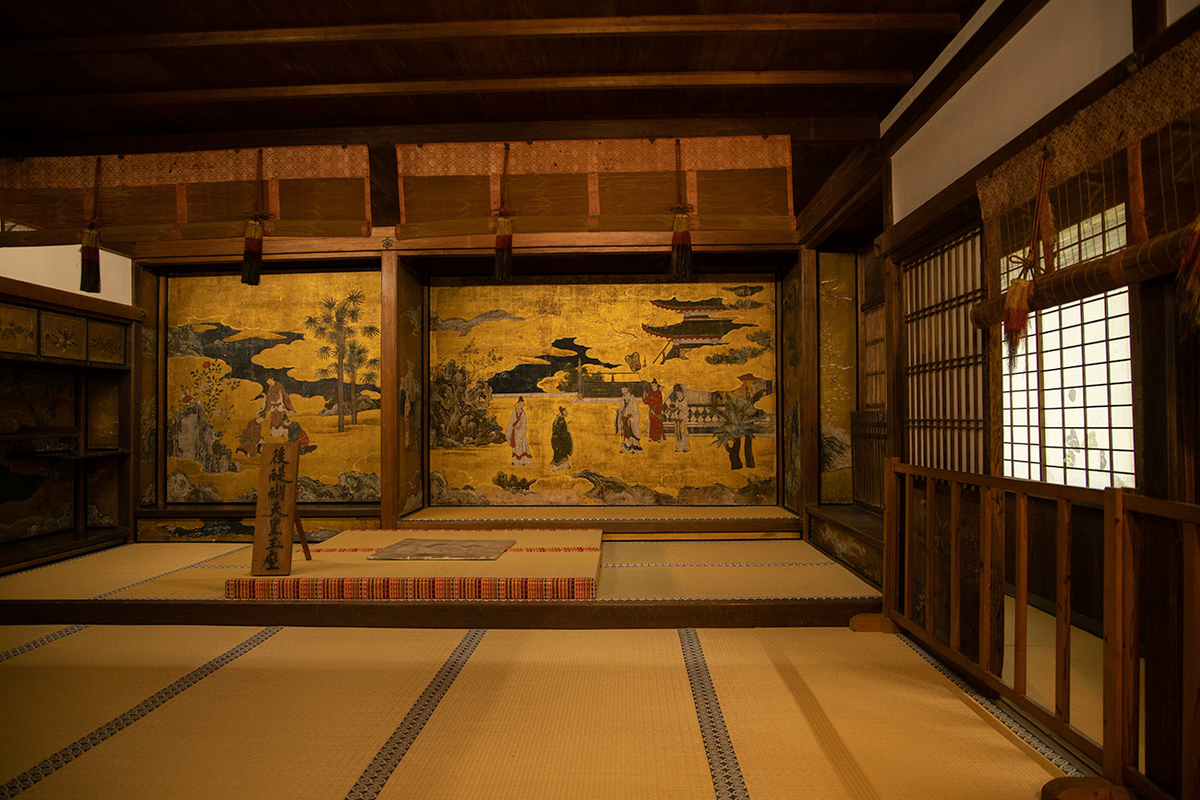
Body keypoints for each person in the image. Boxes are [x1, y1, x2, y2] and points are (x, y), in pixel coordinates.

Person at [505, 396, 533, 466]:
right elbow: (511, 422)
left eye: (523, 404)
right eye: (521, 404)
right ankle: (516, 461)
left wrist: (521, 432)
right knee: (516, 447)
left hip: (521, 432)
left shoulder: (523, 413)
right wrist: (513, 427)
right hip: (515, 432)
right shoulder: (514, 412)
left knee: (523, 445)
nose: (522, 405)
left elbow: (524, 424)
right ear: (518, 403)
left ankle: (524, 461)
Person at [615, 386, 642, 454]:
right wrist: (619, 411)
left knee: (631, 434)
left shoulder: (632, 399)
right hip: (624, 419)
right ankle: (625, 448)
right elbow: (621, 408)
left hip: (630, 419)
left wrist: (630, 417)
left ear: (628, 391)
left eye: (626, 392)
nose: (624, 394)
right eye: (623, 393)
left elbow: (635, 410)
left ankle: (634, 448)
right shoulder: (622, 399)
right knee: (625, 434)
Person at [666, 383, 690, 452]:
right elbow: (674, 410)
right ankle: (678, 448)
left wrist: (681, 416)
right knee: (677, 434)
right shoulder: (676, 402)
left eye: (679, 393)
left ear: (682, 393)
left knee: (683, 434)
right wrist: (674, 415)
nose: (678, 395)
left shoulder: (684, 402)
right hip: (677, 421)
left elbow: (686, 413)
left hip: (682, 421)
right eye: (677, 394)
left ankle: (686, 447)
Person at [550, 406, 573, 471]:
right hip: (559, 440)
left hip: (555, 440)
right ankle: (559, 467)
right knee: (562, 453)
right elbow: (562, 432)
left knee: (558, 453)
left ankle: (560, 466)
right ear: (563, 412)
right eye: (565, 411)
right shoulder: (561, 420)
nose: (567, 412)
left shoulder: (558, 419)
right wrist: (568, 435)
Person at [644, 378, 665, 442]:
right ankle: (652, 438)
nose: (652, 386)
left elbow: (660, 402)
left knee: (658, 424)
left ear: (656, 385)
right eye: (651, 385)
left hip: (657, 410)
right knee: (652, 425)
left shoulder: (659, 393)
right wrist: (644, 396)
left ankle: (659, 438)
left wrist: (656, 410)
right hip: (651, 411)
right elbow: (647, 401)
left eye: (653, 385)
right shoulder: (650, 393)